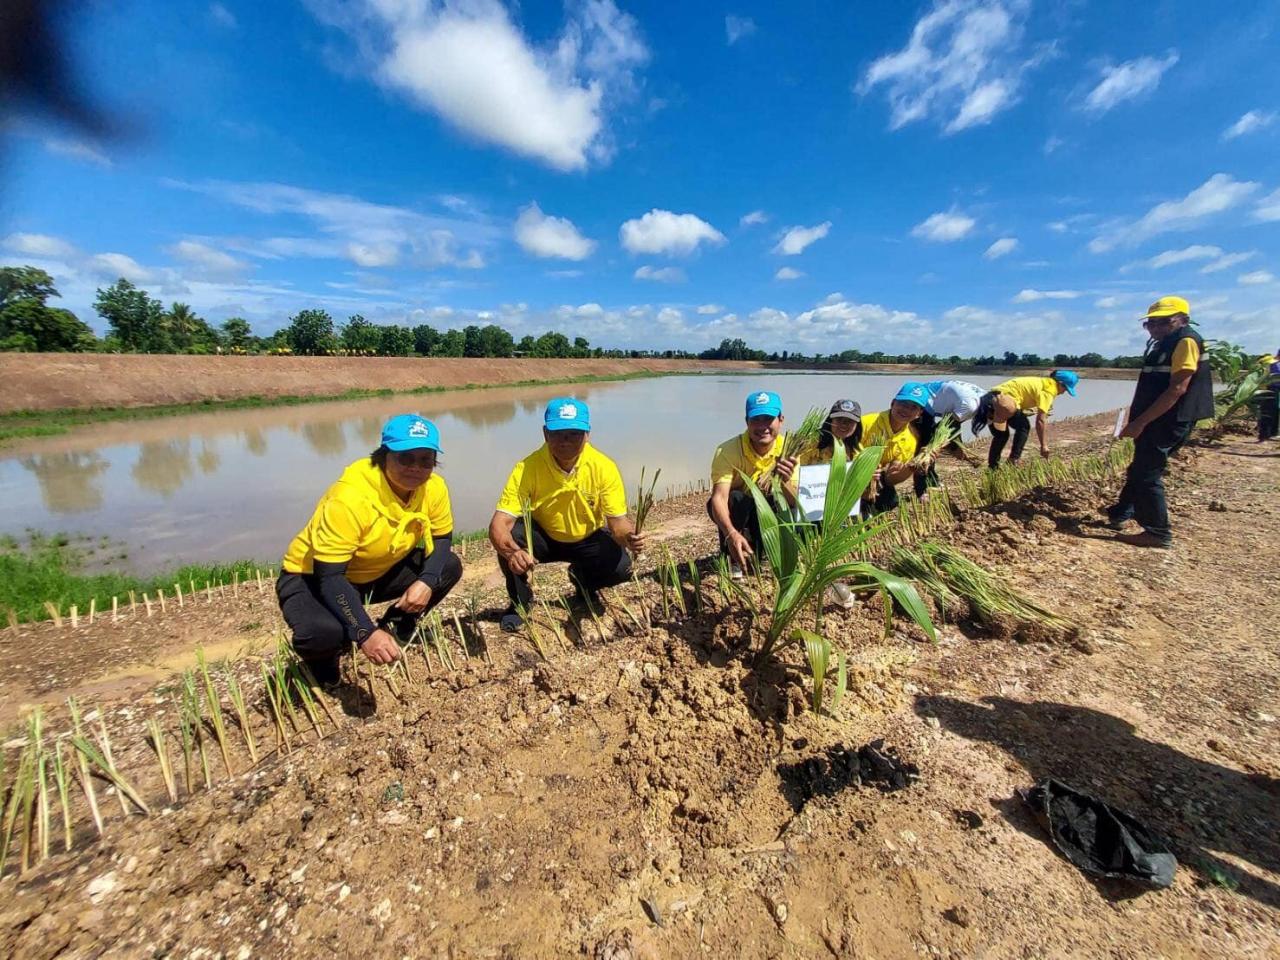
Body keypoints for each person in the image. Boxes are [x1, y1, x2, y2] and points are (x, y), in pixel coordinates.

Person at [276, 414, 463, 685]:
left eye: (426, 460)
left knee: (447, 566)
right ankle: (325, 668)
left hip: (376, 571)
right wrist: (365, 632)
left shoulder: (434, 488)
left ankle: (398, 624)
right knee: (323, 634)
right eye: (405, 457)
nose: (415, 468)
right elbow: (330, 578)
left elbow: (442, 537)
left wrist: (426, 581)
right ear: (383, 455)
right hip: (315, 577)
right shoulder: (350, 498)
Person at [489, 397, 641, 631]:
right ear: (545, 433)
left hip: (586, 537)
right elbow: (499, 523)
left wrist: (630, 536)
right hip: (543, 537)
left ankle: (583, 581)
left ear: (587, 434)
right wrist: (513, 553)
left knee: (622, 568)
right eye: (558, 433)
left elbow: (617, 523)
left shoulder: (604, 467)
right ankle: (520, 603)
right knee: (513, 535)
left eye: (574, 433)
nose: (566, 441)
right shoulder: (527, 468)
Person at [1106, 296, 1214, 548]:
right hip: (1159, 418)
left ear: (1183, 319)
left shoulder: (1185, 341)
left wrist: (1140, 422)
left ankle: (1157, 532)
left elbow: (1177, 389)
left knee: (1147, 473)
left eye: (1164, 322)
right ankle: (1121, 512)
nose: (1156, 328)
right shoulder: (1164, 342)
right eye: (1150, 323)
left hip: (1169, 419)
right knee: (1140, 468)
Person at [708, 390, 799, 576]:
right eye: (756, 419)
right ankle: (732, 554)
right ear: (746, 422)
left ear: (781, 419)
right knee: (735, 497)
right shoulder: (727, 450)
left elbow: (794, 503)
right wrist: (730, 533)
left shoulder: (790, 449)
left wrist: (786, 481)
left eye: (768, 418)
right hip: (740, 508)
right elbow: (719, 497)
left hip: (769, 506)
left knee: (777, 500)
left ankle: (765, 549)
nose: (762, 426)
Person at [973, 370, 1079, 468]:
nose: (1063, 392)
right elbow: (1041, 421)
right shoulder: (1050, 390)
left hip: (989, 401)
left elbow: (1024, 394)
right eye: (1065, 388)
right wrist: (1043, 445)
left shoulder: (1042, 382)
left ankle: (993, 467)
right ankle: (1013, 460)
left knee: (1001, 435)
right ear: (1059, 383)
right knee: (1024, 426)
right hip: (1004, 402)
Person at [861, 384, 929, 513]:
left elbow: (890, 478)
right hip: (848, 472)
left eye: (913, 407)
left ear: (919, 414)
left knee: (890, 502)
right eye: (903, 403)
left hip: (874, 477)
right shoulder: (866, 423)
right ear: (893, 403)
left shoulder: (910, 439)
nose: (906, 410)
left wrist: (911, 468)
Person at [801, 399, 863, 464]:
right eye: (839, 419)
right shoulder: (811, 444)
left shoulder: (859, 451)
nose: (844, 424)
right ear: (830, 420)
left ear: (857, 425)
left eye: (850, 420)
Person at [1257, 349, 1280, 442]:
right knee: (1268, 412)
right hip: (1269, 389)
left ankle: (1272, 433)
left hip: (1276, 390)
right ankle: (1264, 435)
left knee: (1275, 412)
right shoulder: (1271, 363)